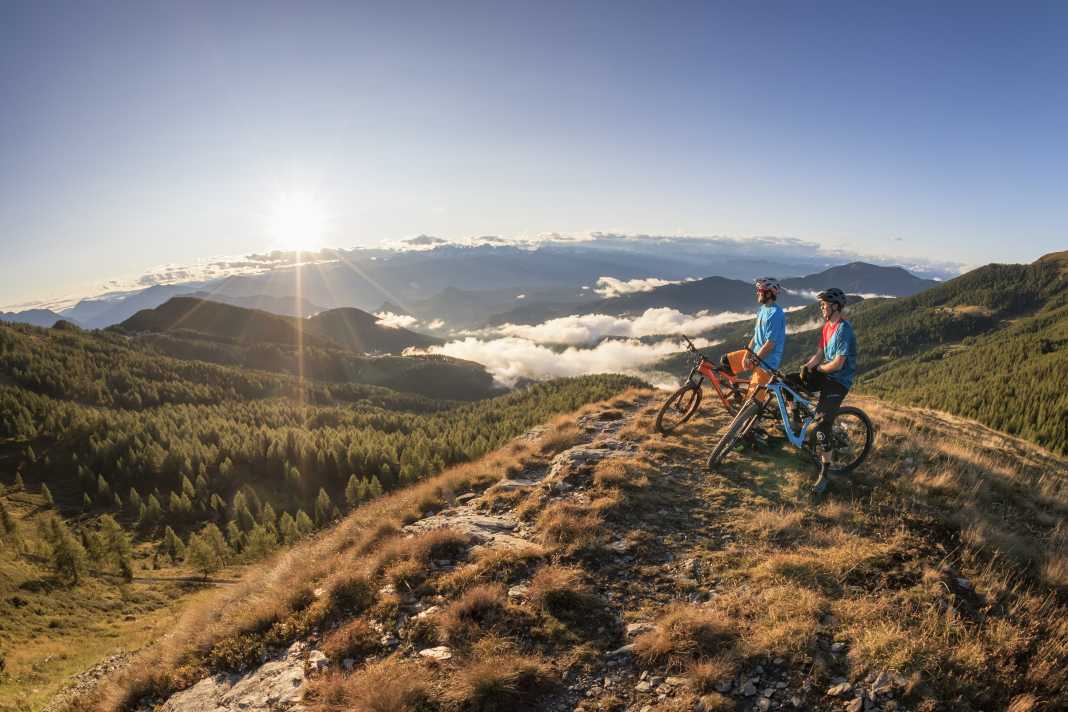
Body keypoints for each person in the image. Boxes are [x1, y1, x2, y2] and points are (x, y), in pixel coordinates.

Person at [786, 287, 857, 495]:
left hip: (839, 382)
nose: (822, 307)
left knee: (821, 429)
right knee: (789, 381)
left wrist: (819, 369)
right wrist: (807, 367)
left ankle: (825, 474)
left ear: (835, 306)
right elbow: (819, 354)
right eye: (821, 304)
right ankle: (796, 421)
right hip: (826, 374)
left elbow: (838, 363)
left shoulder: (844, 330)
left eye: (824, 304)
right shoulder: (827, 327)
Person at [719, 277, 786, 405]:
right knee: (726, 362)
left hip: (767, 363)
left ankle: (754, 409)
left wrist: (754, 360)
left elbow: (770, 344)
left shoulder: (776, 314)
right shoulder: (762, 310)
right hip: (755, 355)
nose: (757, 293)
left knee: (752, 403)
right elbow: (756, 336)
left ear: (769, 293)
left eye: (760, 290)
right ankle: (738, 395)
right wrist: (746, 355)